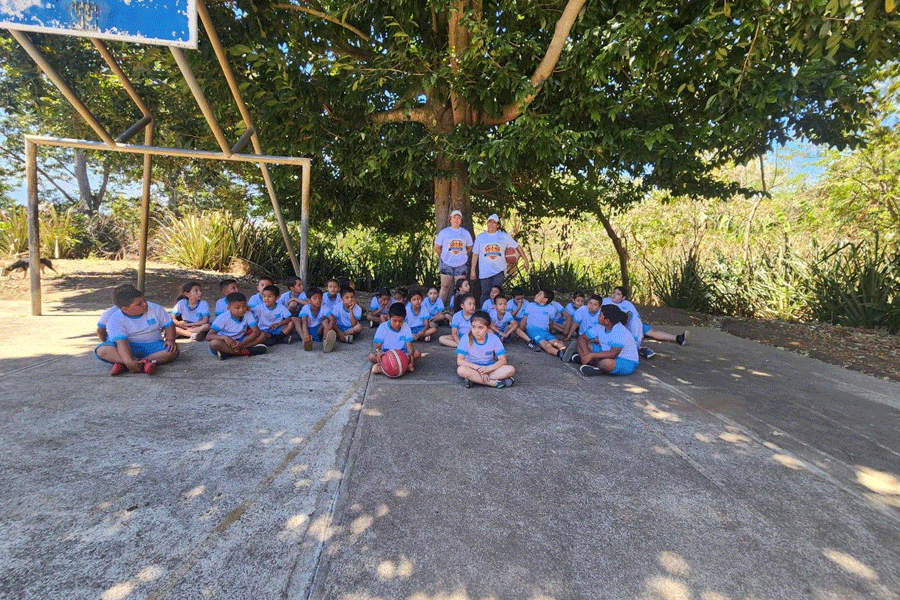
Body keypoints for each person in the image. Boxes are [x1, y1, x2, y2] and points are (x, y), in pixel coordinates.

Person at [94, 285, 180, 375]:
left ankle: (127, 364)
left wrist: (170, 340)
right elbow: (122, 343)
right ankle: (142, 364)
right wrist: (128, 360)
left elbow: (169, 325)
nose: (145, 304)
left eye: (144, 300)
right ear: (125, 309)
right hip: (126, 347)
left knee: (172, 351)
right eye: (139, 304)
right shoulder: (114, 319)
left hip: (153, 346)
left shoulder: (156, 308)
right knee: (102, 350)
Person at [604, 285, 686, 358]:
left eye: (618, 294)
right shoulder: (605, 301)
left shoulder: (627, 304)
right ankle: (640, 349)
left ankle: (678, 338)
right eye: (614, 292)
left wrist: (638, 329)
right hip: (615, 326)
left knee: (651, 331)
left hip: (630, 324)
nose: (614, 295)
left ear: (623, 297)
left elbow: (633, 316)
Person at [470, 214, 529, 305]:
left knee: (497, 293)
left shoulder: (503, 236)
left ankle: (498, 311)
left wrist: (526, 260)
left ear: (498, 225)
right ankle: (484, 312)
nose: (491, 224)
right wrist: (472, 270)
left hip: (499, 270)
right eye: (489, 222)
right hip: (485, 270)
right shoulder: (481, 237)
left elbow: (517, 247)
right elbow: (475, 254)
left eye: (494, 222)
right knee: (485, 293)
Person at [456, 310, 516, 389]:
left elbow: (503, 360)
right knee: (461, 370)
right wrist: (479, 369)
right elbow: (460, 360)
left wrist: (487, 369)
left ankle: (475, 379)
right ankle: (493, 383)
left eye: (480, 328)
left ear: (487, 328)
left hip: (489, 368)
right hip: (472, 367)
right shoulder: (465, 338)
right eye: (473, 327)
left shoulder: (494, 339)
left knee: (511, 370)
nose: (476, 331)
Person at [577, 304, 640, 376]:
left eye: (600, 315)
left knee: (606, 363)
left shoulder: (620, 331)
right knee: (583, 345)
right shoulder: (599, 326)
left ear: (606, 321)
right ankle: (590, 362)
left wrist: (591, 355)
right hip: (605, 351)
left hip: (626, 361)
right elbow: (582, 338)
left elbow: (613, 354)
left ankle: (591, 363)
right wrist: (586, 353)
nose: (598, 316)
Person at [207, 292, 268, 359]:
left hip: (242, 340)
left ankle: (229, 353)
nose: (241, 310)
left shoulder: (247, 314)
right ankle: (248, 351)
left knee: (263, 334)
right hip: (227, 342)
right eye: (237, 308)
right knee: (214, 343)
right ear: (229, 308)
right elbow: (209, 336)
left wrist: (241, 344)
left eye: (244, 306)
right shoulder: (223, 318)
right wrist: (225, 338)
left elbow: (256, 331)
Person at [434, 209, 474, 307]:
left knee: (461, 288)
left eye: (458, 218)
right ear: (450, 219)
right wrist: (444, 256)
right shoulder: (444, 232)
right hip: (446, 263)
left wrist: (463, 255)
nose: (456, 220)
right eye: (454, 217)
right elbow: (436, 247)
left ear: (461, 220)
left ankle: (458, 309)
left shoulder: (465, 233)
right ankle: (440, 309)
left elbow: (470, 247)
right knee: (444, 287)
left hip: (461, 264)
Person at [370, 302, 421, 375]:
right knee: (371, 356)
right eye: (394, 321)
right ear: (389, 317)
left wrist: (410, 356)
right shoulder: (382, 327)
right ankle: (404, 368)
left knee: (417, 353)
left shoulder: (406, 327)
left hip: (402, 354)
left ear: (404, 319)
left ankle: (383, 369)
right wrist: (378, 351)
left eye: (400, 321)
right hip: (386, 354)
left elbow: (409, 345)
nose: (397, 324)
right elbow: (378, 346)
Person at [520, 289, 567, 358]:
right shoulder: (530, 305)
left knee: (557, 342)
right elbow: (524, 320)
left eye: (539, 294)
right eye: (537, 293)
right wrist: (520, 333)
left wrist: (550, 332)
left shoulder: (551, 309)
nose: (536, 295)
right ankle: (560, 354)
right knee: (546, 345)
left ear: (545, 300)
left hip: (545, 331)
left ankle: (569, 353)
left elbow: (551, 323)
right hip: (533, 331)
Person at [295, 287, 331, 352]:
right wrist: (306, 334)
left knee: (326, 320)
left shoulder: (324, 308)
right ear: (309, 300)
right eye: (315, 298)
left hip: (318, 331)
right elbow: (304, 321)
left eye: (320, 298)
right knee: (295, 319)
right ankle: (305, 340)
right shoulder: (306, 308)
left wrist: (327, 330)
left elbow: (332, 319)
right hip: (307, 330)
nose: (318, 300)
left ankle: (326, 340)